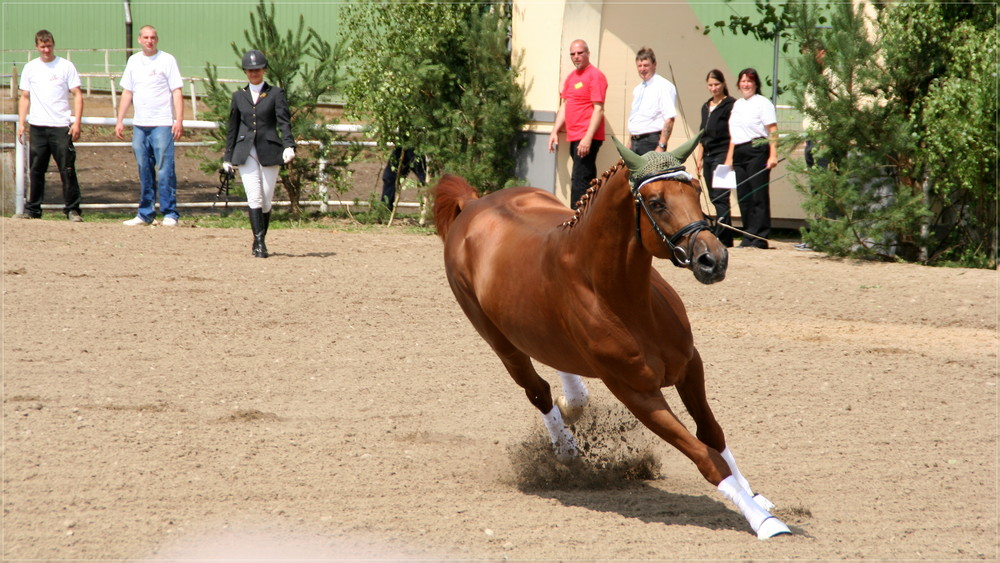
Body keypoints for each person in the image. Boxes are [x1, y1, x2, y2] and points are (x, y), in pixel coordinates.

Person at [222, 49, 296, 258]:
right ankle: (260, 243)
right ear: (245, 71)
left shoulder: (275, 94)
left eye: (257, 69)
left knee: (265, 199)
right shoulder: (238, 96)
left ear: (264, 70)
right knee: (253, 197)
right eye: (250, 70)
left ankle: (258, 239)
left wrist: (289, 145)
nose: (254, 73)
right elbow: (232, 128)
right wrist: (227, 157)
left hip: (269, 150)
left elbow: (284, 121)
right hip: (245, 151)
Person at [115, 25, 184, 227]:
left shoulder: (167, 60)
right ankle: (145, 213)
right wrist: (120, 119)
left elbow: (177, 91)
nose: (149, 40)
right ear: (139, 40)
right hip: (140, 124)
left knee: (164, 169)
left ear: (157, 39)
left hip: (162, 123)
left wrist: (178, 120)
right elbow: (128, 91)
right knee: (144, 168)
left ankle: (170, 212)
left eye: (152, 37)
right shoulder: (133, 61)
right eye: (145, 37)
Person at [16, 30, 84, 222]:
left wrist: (76, 121)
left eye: (49, 46)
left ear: (54, 45)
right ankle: (33, 209)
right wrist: (22, 123)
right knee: (36, 169)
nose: (46, 50)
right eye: (43, 46)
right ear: (37, 47)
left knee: (67, 168)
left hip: (61, 126)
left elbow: (77, 94)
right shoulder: (30, 68)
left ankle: (72, 209)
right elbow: (25, 97)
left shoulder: (65, 66)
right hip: (38, 125)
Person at [548, 39, 608, 208]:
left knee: (580, 179)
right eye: (573, 54)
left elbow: (598, 109)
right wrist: (554, 131)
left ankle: (576, 217)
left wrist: (588, 138)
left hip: (587, 136)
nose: (576, 57)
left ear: (588, 53)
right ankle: (584, 217)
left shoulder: (595, 75)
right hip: (575, 136)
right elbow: (565, 105)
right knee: (583, 178)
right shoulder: (572, 78)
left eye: (580, 53)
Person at [724, 68, 778, 249]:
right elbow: (734, 134)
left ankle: (760, 236)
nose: (746, 84)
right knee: (744, 195)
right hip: (739, 150)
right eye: (743, 81)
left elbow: (772, 130)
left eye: (749, 81)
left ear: (755, 84)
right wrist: (729, 158)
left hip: (757, 149)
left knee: (758, 194)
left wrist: (773, 154)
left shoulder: (762, 103)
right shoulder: (737, 104)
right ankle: (748, 234)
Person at [694, 69, 736, 247]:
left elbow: (734, 132)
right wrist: (699, 158)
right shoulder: (705, 106)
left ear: (723, 84)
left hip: (722, 153)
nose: (713, 88)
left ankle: (724, 236)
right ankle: (722, 232)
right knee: (713, 196)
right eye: (710, 85)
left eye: (716, 84)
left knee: (721, 196)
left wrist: (729, 159)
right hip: (708, 155)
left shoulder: (731, 104)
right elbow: (702, 134)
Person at [625, 47, 677, 155]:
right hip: (635, 143)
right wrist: (629, 143)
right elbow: (636, 118)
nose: (642, 69)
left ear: (654, 65)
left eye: (646, 65)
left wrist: (661, 146)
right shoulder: (638, 89)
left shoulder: (663, 86)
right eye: (639, 66)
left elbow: (669, 119)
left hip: (650, 142)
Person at [380, 147, 426, 212]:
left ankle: (440, 211)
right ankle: (384, 211)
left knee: (427, 179)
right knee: (390, 178)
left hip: (417, 145)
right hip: (401, 146)